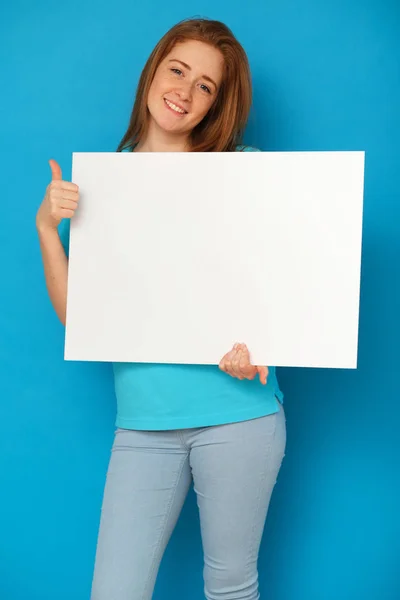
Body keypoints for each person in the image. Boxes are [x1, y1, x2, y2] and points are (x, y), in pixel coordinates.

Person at [36, 17, 286, 600]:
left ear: (216, 104)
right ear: (154, 71)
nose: (186, 89)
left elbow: (280, 289)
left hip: (239, 415)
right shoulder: (107, 185)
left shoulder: (243, 172)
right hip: (143, 425)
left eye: (206, 85)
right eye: (179, 70)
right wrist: (48, 228)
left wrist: (261, 346)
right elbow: (83, 323)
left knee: (229, 586)